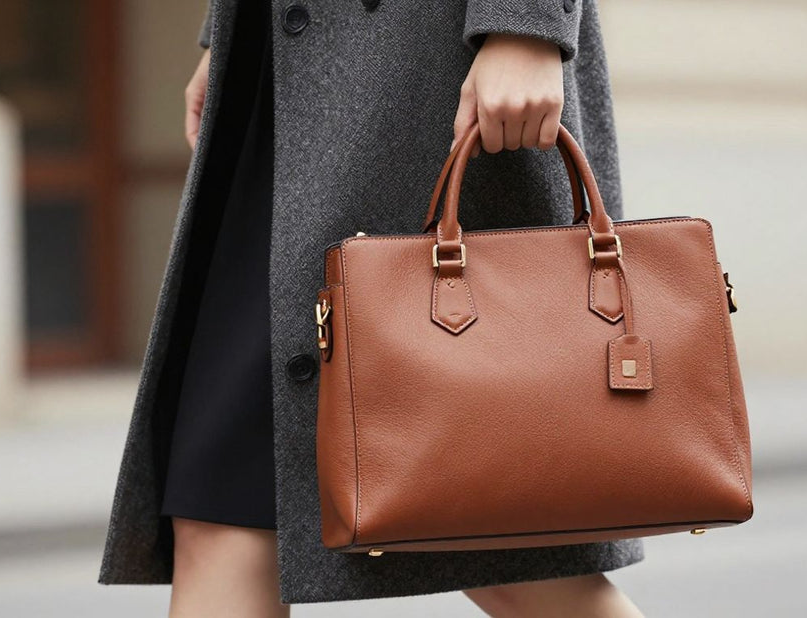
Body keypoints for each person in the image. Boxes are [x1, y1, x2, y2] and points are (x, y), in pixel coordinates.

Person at [100, 1, 646, 614]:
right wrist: (226, 29)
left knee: (501, 547)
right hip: (283, 54)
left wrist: (528, 23)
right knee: (220, 512)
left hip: (426, 57)